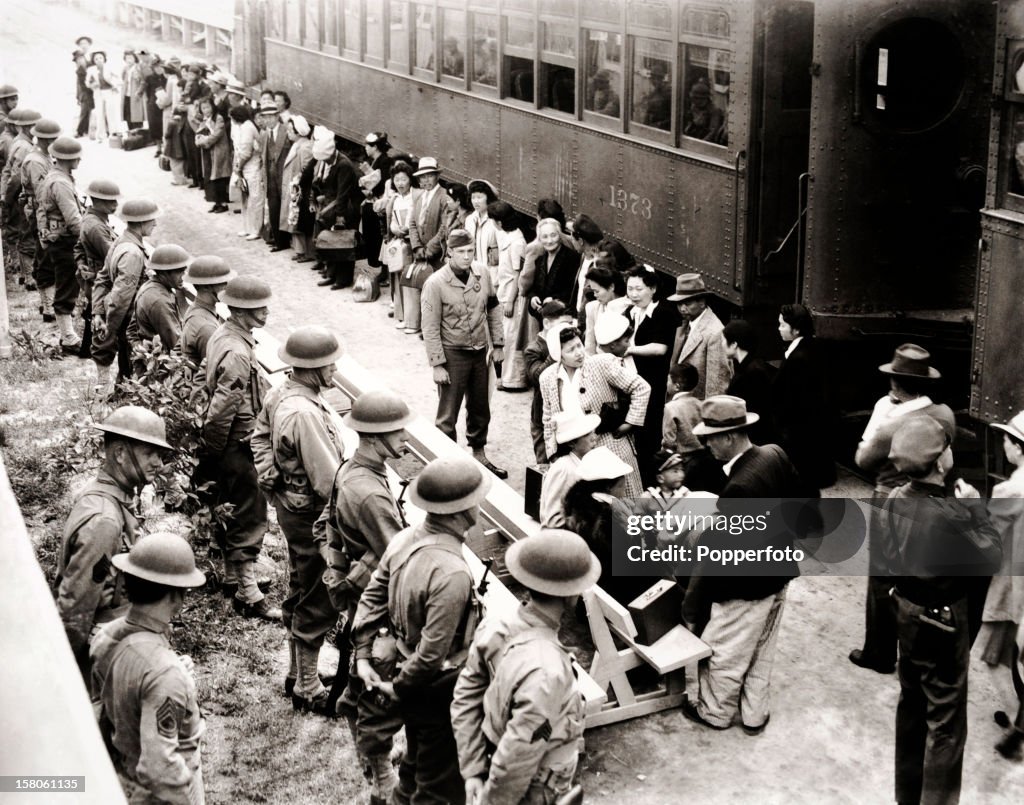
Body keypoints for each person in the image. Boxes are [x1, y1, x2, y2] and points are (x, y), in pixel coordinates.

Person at [352, 456, 491, 805]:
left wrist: (363, 653)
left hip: (406, 672)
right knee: (441, 786)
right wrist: (397, 690)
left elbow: (372, 595)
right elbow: (432, 654)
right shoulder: (451, 573)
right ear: (460, 510)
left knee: (414, 766)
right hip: (437, 687)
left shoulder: (404, 539)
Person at [881, 416, 1002, 804]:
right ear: (938, 463)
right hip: (943, 622)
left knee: (912, 708)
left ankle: (907, 797)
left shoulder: (894, 498)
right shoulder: (951, 514)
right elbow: (991, 555)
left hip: (905, 611)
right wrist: (974, 509)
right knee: (946, 725)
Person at [452, 529, 598, 805]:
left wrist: (472, 769)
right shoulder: (548, 672)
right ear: (571, 594)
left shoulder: (495, 625)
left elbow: (465, 697)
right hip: (536, 786)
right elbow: (517, 755)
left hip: (495, 760)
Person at [682, 395, 802, 734]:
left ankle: (714, 713)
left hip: (746, 587)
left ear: (730, 436)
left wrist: (697, 599)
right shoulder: (773, 454)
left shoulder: (739, 488)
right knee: (763, 649)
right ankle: (754, 714)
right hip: (779, 573)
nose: (706, 445)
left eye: (710, 438)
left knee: (723, 652)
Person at [322, 390, 414, 803]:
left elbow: (326, 526)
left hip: (359, 593)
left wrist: (340, 570)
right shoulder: (370, 492)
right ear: (376, 438)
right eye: (397, 431)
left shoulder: (351, 469)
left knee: (363, 684)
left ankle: (371, 761)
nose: (405, 436)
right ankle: (380, 778)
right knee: (374, 690)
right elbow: (397, 557)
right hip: (374, 603)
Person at [252, 327, 347, 714]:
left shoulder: (282, 392)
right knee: (320, 596)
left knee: (299, 584)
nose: (335, 369)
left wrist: (273, 479)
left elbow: (258, 439)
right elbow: (329, 483)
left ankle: (296, 674)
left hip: (293, 511)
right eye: (330, 363)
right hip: (313, 515)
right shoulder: (305, 412)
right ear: (311, 367)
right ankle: (307, 688)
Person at [850, 344, 956, 676]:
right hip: (932, 498)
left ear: (895, 384)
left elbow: (863, 460)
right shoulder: (945, 414)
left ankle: (879, 653)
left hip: (891, 498)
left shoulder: (890, 422)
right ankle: (916, 644)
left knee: (882, 577)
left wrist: (877, 429)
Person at [90, 532, 207, 804]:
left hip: (121, 774)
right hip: (158, 793)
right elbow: (160, 768)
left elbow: (114, 698)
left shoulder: (105, 637)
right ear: (177, 597)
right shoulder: (164, 672)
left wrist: (173, 672)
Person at [57, 406, 170, 680]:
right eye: (149, 454)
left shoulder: (106, 496)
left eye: (160, 454)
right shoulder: (105, 520)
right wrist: (64, 673)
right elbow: (77, 606)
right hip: (106, 643)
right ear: (120, 453)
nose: (158, 462)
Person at [201, 276, 278, 621]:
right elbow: (223, 406)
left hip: (231, 440)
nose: (264, 312)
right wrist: (214, 450)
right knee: (249, 510)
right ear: (241, 311)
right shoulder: (236, 351)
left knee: (230, 506)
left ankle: (233, 578)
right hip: (239, 441)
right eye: (257, 308)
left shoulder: (227, 335)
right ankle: (248, 593)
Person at [421, 228, 508, 478]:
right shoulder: (435, 283)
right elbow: (430, 326)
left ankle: (479, 454)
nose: (467, 257)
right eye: (461, 252)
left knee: (480, 407)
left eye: (470, 251)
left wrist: (498, 345)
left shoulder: (482, 273)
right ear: (450, 253)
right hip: (452, 355)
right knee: (448, 412)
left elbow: (493, 308)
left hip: (479, 352)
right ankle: (447, 464)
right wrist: (437, 364)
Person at [539, 319, 650, 498]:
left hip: (611, 445)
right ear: (558, 354)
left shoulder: (601, 363)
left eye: (579, 345)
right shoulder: (547, 378)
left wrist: (630, 423)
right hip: (576, 455)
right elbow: (548, 419)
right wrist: (552, 454)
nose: (579, 353)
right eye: (570, 350)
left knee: (627, 501)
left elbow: (641, 387)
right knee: (590, 510)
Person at [981, 411, 1024, 761]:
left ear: (1019, 448)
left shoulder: (1011, 489)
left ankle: (1017, 723)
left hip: (1013, 586)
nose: (1004, 444)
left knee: (993, 656)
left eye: (1008, 439)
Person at [92, 198, 160, 395]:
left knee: (126, 363)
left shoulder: (121, 242)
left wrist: (98, 312)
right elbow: (121, 297)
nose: (155, 224)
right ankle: (123, 396)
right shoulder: (132, 253)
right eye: (152, 220)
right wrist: (109, 329)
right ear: (141, 223)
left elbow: (102, 279)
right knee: (132, 363)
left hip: (121, 317)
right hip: (129, 319)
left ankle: (120, 393)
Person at [563, 446, 647, 606]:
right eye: (622, 477)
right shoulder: (606, 522)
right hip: (617, 593)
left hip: (590, 585)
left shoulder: (578, 504)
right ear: (609, 485)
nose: (625, 481)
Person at [625, 265, 682, 485]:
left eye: (639, 289)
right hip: (636, 384)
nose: (633, 294)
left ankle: (649, 482)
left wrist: (630, 349)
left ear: (653, 288)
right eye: (630, 289)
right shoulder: (632, 311)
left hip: (655, 384)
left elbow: (661, 348)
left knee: (649, 435)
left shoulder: (663, 313)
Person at [773, 303, 837, 495]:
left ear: (796, 329)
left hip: (800, 444)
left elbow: (793, 404)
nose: (779, 329)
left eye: (782, 325)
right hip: (812, 442)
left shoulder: (798, 360)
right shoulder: (813, 349)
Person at [35, 136, 85, 353]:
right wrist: (89, 237)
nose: (80, 160)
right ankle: (68, 338)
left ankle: (68, 334)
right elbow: (74, 220)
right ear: (68, 158)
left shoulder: (57, 177)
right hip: (65, 242)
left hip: (59, 239)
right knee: (67, 286)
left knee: (67, 285)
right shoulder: (61, 183)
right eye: (76, 157)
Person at [21, 118, 63, 324]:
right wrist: (44, 228)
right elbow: (42, 197)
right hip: (41, 215)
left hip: (43, 214)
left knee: (46, 258)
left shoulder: (44, 156)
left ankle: (48, 302)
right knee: (45, 259)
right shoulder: (36, 161)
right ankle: (48, 306)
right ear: (47, 140)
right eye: (53, 139)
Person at [309, 130, 362, 290]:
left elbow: (343, 194)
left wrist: (339, 217)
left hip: (345, 210)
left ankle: (343, 278)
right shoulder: (333, 162)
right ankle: (331, 274)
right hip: (333, 208)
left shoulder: (344, 165)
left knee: (343, 243)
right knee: (331, 242)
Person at [74, 178, 120, 360]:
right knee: (101, 316)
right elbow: (114, 256)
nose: (115, 204)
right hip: (101, 280)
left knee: (93, 313)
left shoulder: (92, 219)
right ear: (98, 201)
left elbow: (78, 247)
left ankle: (88, 351)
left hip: (94, 278)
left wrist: (81, 264)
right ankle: (97, 356)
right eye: (110, 201)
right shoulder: (96, 226)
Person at [524, 299, 574, 465]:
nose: (568, 329)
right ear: (546, 323)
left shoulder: (568, 343)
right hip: (542, 416)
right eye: (563, 324)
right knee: (544, 462)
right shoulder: (534, 349)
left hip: (566, 413)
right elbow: (536, 377)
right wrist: (553, 355)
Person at [663, 363, 725, 494]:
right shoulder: (701, 404)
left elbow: (669, 442)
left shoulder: (671, 407)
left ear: (677, 386)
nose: (667, 383)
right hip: (706, 459)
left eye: (668, 380)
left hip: (685, 463)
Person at [668, 273, 732, 399]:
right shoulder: (687, 323)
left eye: (687, 303)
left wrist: (709, 415)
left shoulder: (715, 332)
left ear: (702, 302)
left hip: (698, 409)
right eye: (679, 304)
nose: (682, 308)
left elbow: (716, 385)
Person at [1, 107, 40, 293]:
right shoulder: (24, 147)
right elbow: (16, 177)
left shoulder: (20, 142)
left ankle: (26, 274)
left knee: (23, 234)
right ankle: (29, 276)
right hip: (19, 197)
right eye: (34, 126)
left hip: (16, 196)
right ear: (26, 127)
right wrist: (8, 200)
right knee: (26, 236)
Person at [489, 200, 528, 389]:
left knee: (512, 339)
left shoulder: (517, 243)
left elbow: (517, 274)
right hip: (504, 294)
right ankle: (507, 378)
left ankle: (515, 380)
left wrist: (511, 301)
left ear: (500, 222)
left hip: (512, 297)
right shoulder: (509, 237)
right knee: (507, 337)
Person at [128, 243, 190, 360]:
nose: (184, 276)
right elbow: (177, 345)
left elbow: (131, 331)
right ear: (165, 272)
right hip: (161, 363)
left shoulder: (150, 287)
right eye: (179, 271)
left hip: (149, 356)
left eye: (184, 270)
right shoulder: (159, 301)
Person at [540, 411, 600, 528]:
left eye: (593, 432)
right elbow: (553, 520)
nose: (594, 438)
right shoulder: (563, 469)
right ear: (572, 443)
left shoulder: (580, 464)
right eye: (587, 434)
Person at [380, 161, 421, 328]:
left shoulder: (416, 196)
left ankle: (413, 321)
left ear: (410, 180)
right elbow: (389, 220)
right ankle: (403, 316)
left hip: (412, 243)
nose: (400, 183)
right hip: (398, 242)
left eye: (403, 179)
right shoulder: (394, 199)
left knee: (411, 280)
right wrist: (394, 229)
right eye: (397, 180)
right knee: (398, 279)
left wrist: (407, 229)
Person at [723, 319, 776, 445]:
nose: (721, 344)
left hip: (755, 442)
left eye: (723, 340)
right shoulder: (749, 367)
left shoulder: (753, 373)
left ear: (734, 344)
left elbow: (757, 414)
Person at [179, 255, 234, 367]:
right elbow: (215, 371)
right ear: (206, 287)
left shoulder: (198, 309)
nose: (227, 287)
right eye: (223, 282)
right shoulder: (206, 327)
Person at [524, 217, 580, 319]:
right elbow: (535, 288)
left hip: (563, 317)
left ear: (560, 235)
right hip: (545, 317)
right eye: (544, 237)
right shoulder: (540, 259)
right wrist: (533, 298)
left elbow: (572, 290)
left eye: (553, 235)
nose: (549, 241)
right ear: (539, 239)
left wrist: (554, 299)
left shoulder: (572, 258)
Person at [280, 115, 314, 262]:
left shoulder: (305, 147)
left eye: (290, 130)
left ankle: (306, 251)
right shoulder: (297, 145)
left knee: (299, 220)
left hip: (299, 190)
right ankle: (300, 250)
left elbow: (306, 170)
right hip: (293, 189)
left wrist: (297, 183)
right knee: (294, 219)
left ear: (298, 132)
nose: (288, 133)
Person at [360, 131, 394, 279]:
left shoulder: (385, 162)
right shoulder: (377, 160)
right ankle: (379, 268)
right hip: (373, 203)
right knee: (375, 237)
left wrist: (368, 176)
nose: (366, 148)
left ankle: (384, 271)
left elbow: (383, 184)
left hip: (380, 204)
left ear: (375, 147)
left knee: (381, 238)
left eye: (368, 145)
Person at [230, 103, 265, 240]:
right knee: (245, 198)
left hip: (252, 167)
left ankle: (256, 229)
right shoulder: (243, 127)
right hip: (244, 168)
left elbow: (246, 152)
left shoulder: (247, 127)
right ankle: (247, 227)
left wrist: (238, 168)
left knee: (255, 198)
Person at [260, 100, 291, 252]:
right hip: (270, 178)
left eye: (271, 117)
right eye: (265, 117)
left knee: (286, 209)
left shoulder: (287, 131)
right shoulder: (264, 134)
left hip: (284, 177)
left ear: (277, 116)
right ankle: (278, 240)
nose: (268, 120)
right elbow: (263, 158)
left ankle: (286, 240)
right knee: (273, 209)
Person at [408, 156, 448, 269]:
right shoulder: (419, 197)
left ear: (437, 176)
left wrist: (429, 249)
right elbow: (412, 223)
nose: (426, 180)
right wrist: (417, 246)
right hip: (420, 254)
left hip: (438, 254)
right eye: (423, 177)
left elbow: (445, 227)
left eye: (430, 176)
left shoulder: (444, 196)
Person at [583, 259, 629, 355]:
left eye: (597, 291)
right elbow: (590, 344)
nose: (595, 295)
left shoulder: (630, 308)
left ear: (611, 287)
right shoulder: (592, 308)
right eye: (593, 291)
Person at [194, 95, 231, 213]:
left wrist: (205, 141)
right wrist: (198, 139)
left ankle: (223, 203)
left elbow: (217, 134)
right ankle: (216, 202)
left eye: (208, 107)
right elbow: (199, 132)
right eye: (203, 108)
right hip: (209, 152)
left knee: (219, 177)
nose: (206, 110)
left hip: (219, 151)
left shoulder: (218, 118)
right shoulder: (205, 120)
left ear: (213, 107)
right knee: (211, 177)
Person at [86, 51, 120, 140]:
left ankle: (113, 133)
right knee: (100, 113)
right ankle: (101, 135)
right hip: (98, 93)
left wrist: (114, 85)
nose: (99, 60)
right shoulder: (91, 70)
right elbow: (87, 82)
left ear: (104, 58)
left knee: (110, 113)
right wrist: (92, 85)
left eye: (100, 58)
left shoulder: (109, 67)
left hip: (109, 92)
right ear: (93, 60)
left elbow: (118, 78)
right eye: (96, 59)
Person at [683, 78, 725, 144]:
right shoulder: (694, 107)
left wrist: (700, 144)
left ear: (703, 98)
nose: (693, 101)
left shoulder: (714, 111)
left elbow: (713, 133)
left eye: (695, 98)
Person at [164, 103, 189, 185]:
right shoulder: (183, 122)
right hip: (182, 146)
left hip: (173, 147)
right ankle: (182, 178)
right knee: (181, 164)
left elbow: (167, 135)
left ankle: (178, 180)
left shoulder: (171, 122)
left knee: (174, 164)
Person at [121, 51, 145, 132]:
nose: (129, 60)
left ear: (135, 59)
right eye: (127, 58)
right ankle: (130, 133)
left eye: (131, 58)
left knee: (137, 116)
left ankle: (138, 134)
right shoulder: (125, 68)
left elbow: (143, 81)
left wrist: (139, 91)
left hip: (135, 94)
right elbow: (122, 79)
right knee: (128, 115)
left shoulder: (138, 67)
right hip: (127, 94)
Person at [74, 49, 94, 138]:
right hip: (85, 94)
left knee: (89, 112)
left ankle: (86, 130)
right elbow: (80, 86)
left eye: (81, 58)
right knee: (84, 112)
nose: (80, 61)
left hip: (92, 93)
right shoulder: (80, 71)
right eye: (77, 60)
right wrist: (78, 97)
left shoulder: (91, 66)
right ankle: (79, 131)